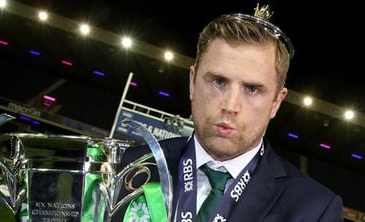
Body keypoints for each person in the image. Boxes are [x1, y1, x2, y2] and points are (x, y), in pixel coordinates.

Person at [116, 4, 343, 222]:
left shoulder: (314, 209)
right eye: (218, 81)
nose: (230, 105)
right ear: (193, 82)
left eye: (252, 89)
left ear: (276, 102)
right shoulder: (126, 166)